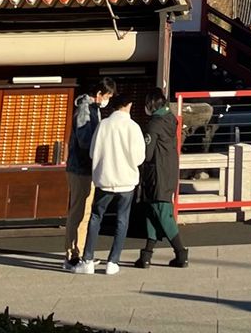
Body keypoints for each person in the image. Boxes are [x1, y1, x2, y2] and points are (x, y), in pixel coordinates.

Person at [75, 87, 145, 275]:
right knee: (122, 220)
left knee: (96, 217)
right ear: (129, 105)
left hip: (105, 179)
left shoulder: (103, 125)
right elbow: (139, 157)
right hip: (126, 180)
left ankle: (88, 259)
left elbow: (92, 152)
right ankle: (113, 262)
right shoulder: (133, 127)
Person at [64, 77, 115, 270]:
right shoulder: (85, 109)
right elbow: (85, 139)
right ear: (99, 94)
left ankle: (82, 252)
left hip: (86, 169)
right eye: (107, 96)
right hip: (80, 168)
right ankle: (71, 255)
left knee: (84, 212)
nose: (107, 100)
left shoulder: (94, 109)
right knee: (78, 212)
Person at [134, 92, 188, 270]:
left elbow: (147, 154)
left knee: (163, 213)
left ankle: (181, 253)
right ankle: (146, 255)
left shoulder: (154, 125)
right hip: (169, 171)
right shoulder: (170, 119)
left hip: (156, 174)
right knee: (153, 213)